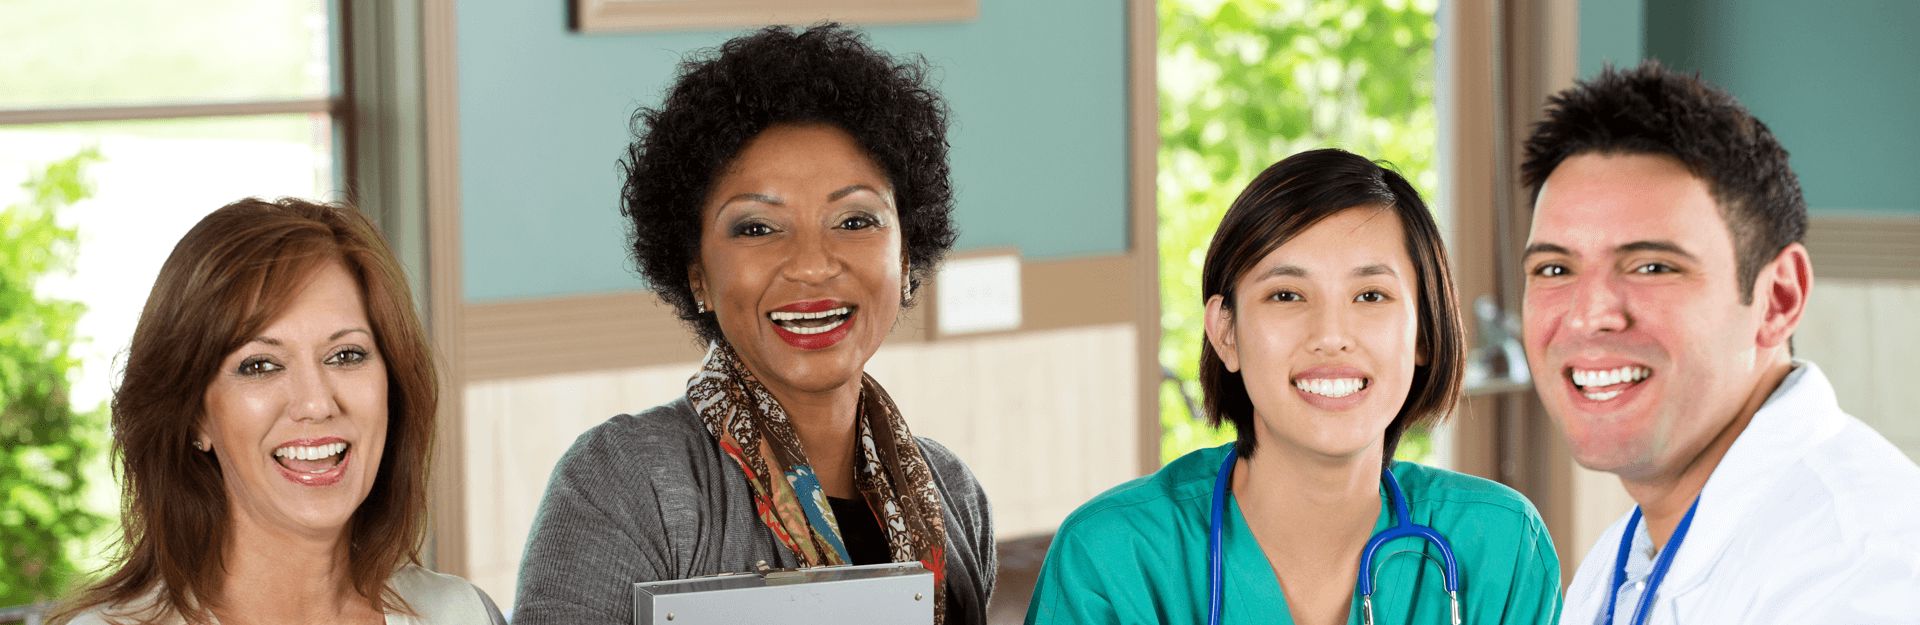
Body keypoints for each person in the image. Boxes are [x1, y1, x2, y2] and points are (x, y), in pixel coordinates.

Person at [512, 23, 993, 625]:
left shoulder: (954, 496)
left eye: (854, 220)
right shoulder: (628, 482)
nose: (814, 266)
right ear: (697, 276)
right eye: (757, 229)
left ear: (905, 250)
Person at [1026, 149, 1560, 625]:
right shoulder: (1113, 558)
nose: (1331, 336)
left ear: (1424, 331)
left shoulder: (1501, 545)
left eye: (1371, 296)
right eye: (1286, 295)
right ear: (1226, 333)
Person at [1519, 61, 1920, 624]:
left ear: (1778, 299)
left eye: (1652, 266)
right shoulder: (1621, 561)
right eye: (1555, 270)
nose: (1589, 316)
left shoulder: (1857, 569)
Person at [49, 198, 503, 625]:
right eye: (260, 365)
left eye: (346, 355)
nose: (316, 403)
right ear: (193, 415)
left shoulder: (462, 613)